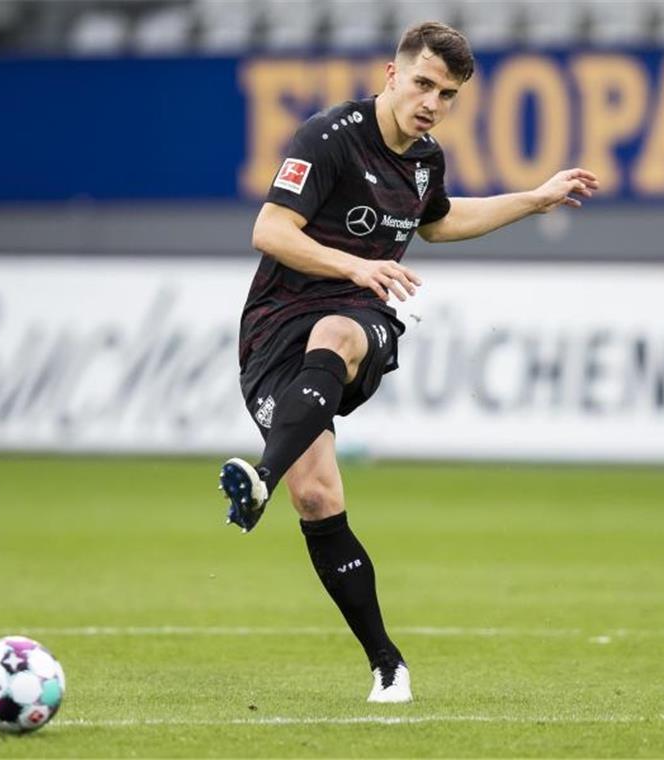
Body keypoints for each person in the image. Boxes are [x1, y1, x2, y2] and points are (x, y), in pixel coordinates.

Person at [219, 21, 599, 703]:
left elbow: (440, 221)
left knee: (337, 331)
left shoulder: (426, 160)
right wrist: (357, 264)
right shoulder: (327, 137)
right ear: (392, 75)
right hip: (275, 330)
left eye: (447, 94)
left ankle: (259, 479)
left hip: (360, 319)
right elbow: (269, 230)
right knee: (320, 496)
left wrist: (534, 199)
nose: (432, 102)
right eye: (423, 83)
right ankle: (387, 662)